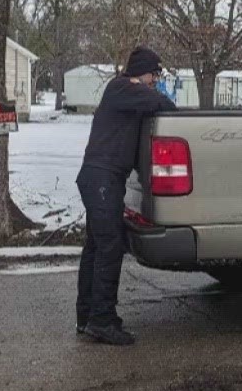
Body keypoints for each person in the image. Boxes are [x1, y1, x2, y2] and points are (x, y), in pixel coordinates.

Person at [74, 46, 175, 345]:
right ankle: (102, 321)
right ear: (140, 72)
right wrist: (149, 91)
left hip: (101, 178)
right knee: (109, 245)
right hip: (102, 178)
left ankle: (88, 316)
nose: (155, 80)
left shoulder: (125, 93)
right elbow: (163, 105)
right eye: (153, 74)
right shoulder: (121, 88)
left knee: (96, 246)